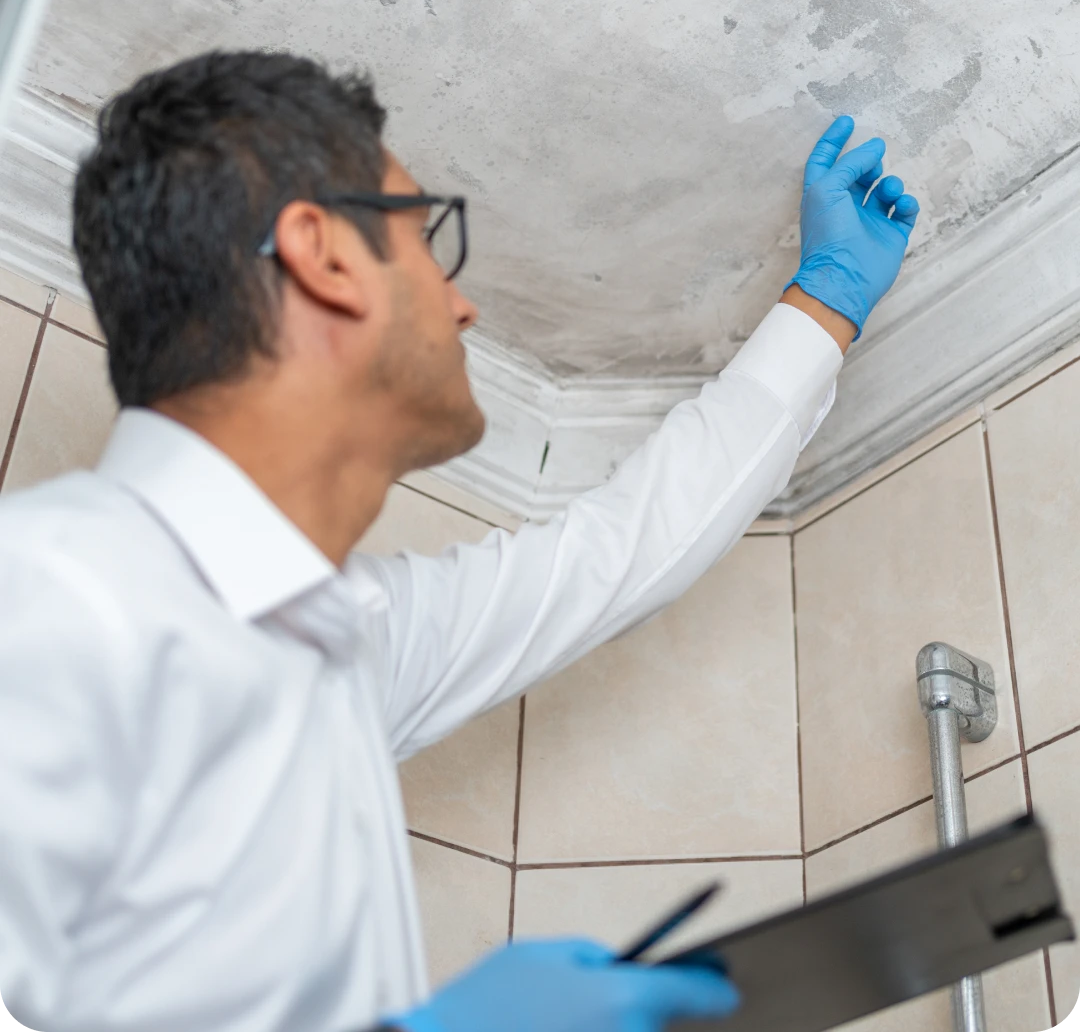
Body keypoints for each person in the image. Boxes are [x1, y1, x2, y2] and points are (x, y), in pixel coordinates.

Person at [0, 50, 919, 1032]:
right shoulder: (44, 598)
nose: (463, 301)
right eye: (428, 241)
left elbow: (615, 556)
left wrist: (823, 304)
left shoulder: (350, 641)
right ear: (324, 254)